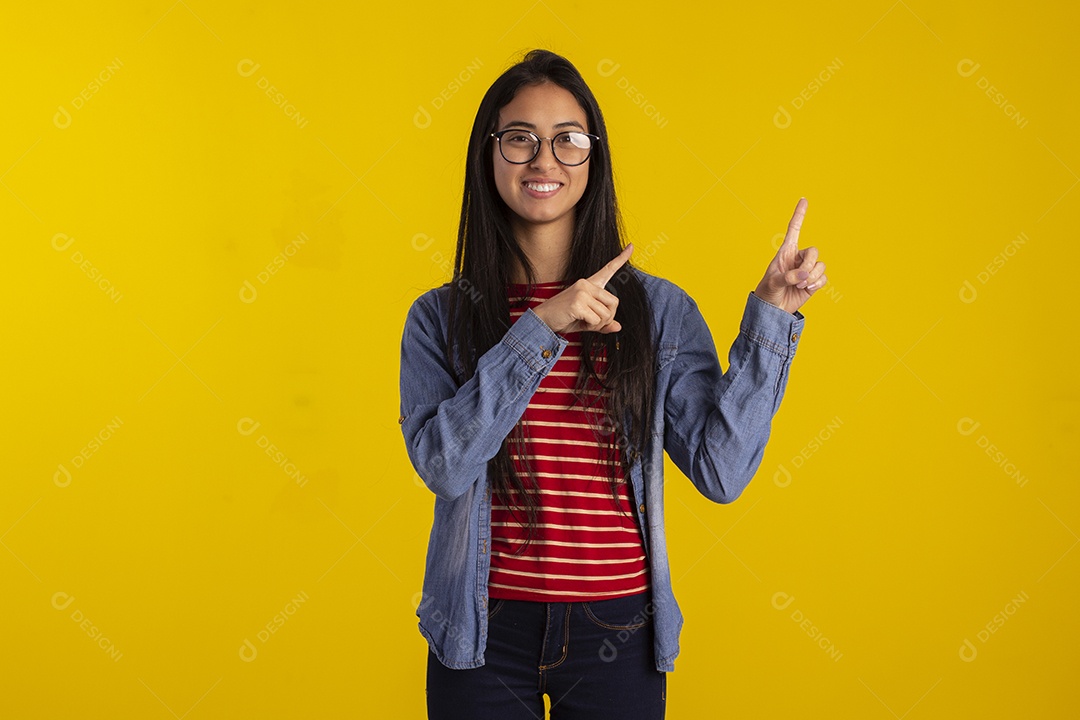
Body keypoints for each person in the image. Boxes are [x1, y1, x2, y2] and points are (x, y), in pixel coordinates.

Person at [398, 49, 826, 720]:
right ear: (489, 156)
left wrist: (772, 315)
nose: (545, 161)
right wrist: (541, 327)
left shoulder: (658, 313)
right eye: (521, 139)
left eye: (567, 140)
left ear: (593, 158)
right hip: (480, 631)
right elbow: (445, 467)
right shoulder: (440, 319)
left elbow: (722, 470)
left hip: (616, 633)